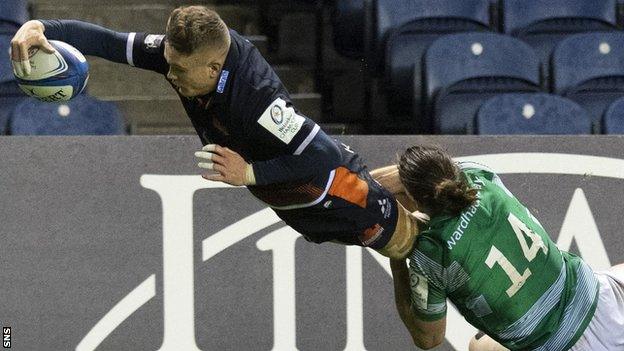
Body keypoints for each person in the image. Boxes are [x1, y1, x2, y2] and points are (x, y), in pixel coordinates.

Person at [9, 6, 418, 259]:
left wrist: (248, 174)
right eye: (167, 62)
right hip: (289, 201)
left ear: (212, 69)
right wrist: (42, 26)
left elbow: (323, 156)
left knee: (408, 253)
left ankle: (456, 207)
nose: (169, 74)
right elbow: (110, 43)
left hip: (333, 192)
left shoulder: (257, 99)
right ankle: (431, 180)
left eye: (178, 70)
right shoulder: (183, 55)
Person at [386, 145, 624, 350]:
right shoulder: (478, 175)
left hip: (560, 344)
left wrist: (397, 261)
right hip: (599, 295)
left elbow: (429, 338)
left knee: (479, 346)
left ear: (411, 196)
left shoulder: (431, 254)